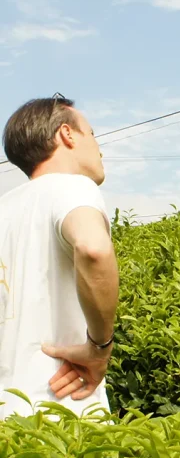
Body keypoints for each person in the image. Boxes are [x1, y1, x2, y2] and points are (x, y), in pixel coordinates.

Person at [0, 95, 119, 419]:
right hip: (60, 410)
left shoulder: (4, 209)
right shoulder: (72, 187)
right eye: (93, 135)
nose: (99, 149)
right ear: (67, 134)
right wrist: (100, 348)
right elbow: (93, 249)